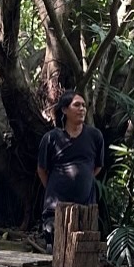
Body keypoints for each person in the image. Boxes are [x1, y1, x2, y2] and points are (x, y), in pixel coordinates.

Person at [36, 91, 105, 243]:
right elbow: (41, 170)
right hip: (55, 209)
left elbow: (97, 167)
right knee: (55, 247)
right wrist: (54, 188)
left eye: (84, 106)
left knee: (81, 250)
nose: (82, 109)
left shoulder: (95, 136)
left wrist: (83, 180)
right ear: (64, 110)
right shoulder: (51, 138)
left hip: (85, 209)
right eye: (77, 105)